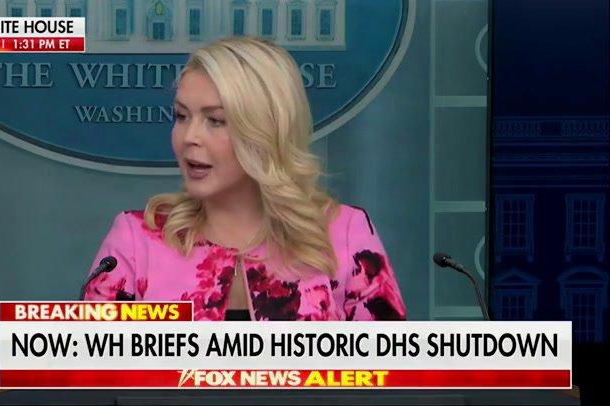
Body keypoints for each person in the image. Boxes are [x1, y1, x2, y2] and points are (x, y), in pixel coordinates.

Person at [83, 37, 406, 322]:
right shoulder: (135, 242)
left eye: (215, 120)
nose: (189, 137)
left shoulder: (345, 235)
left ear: (265, 131)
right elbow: (89, 365)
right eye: (181, 116)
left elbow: (390, 366)